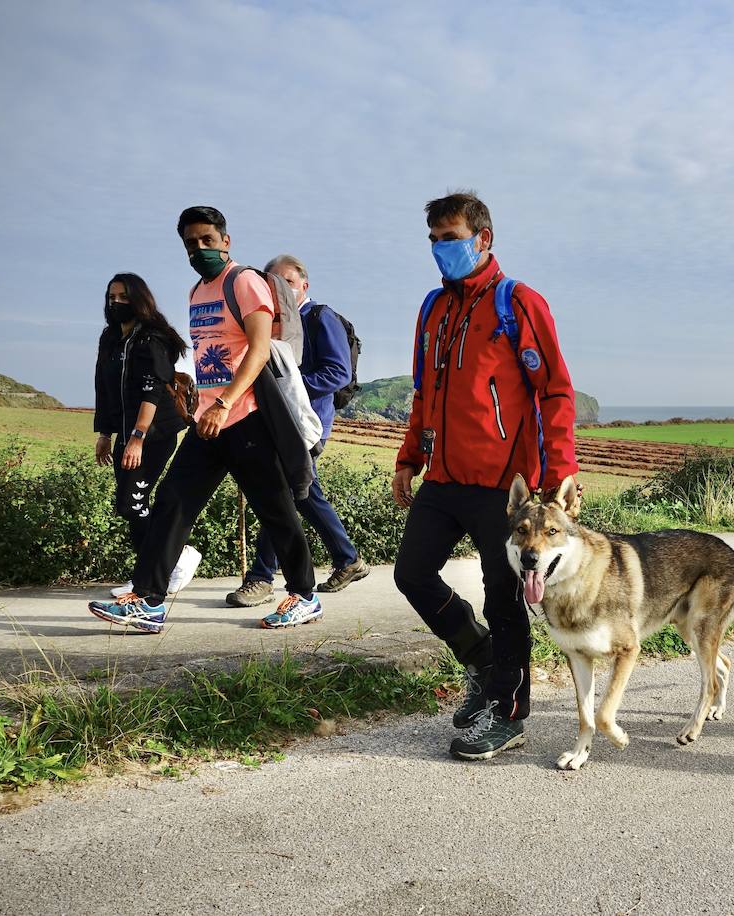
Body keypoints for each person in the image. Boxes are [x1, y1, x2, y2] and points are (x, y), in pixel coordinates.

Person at [392, 191, 580, 761]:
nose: (440, 248)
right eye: (433, 239)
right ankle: (482, 659)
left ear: (483, 238)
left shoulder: (517, 302)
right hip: (444, 477)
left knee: (503, 595)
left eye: (450, 237)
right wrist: (408, 456)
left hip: (504, 486)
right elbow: (425, 390)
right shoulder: (433, 308)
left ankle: (510, 711)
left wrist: (557, 476)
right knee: (412, 574)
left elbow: (555, 390)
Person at [87, 206, 321, 633]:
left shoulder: (245, 282)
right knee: (172, 503)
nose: (199, 249)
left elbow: (260, 348)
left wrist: (226, 402)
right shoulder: (196, 292)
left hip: (245, 416)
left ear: (225, 241)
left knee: (275, 509)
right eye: (191, 243)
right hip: (207, 420)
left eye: (207, 241)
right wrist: (204, 406)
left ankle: (304, 595)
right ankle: (149, 601)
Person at [225, 254, 369, 608]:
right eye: (271, 281)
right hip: (276, 422)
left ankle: (261, 578)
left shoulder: (320, 318)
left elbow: (338, 374)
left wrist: (288, 385)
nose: (279, 288)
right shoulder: (270, 322)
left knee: (279, 492)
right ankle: (347, 559)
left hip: (307, 425)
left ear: (304, 285)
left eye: (287, 281)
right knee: (300, 495)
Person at [92, 273, 201, 597]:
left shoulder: (150, 338)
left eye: (123, 297)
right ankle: (171, 560)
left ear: (139, 300)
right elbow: (104, 387)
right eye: (112, 297)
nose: (116, 303)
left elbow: (151, 392)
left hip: (154, 432)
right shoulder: (111, 338)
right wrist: (104, 434)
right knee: (130, 505)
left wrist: (138, 438)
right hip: (128, 431)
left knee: (132, 502)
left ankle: (155, 570)